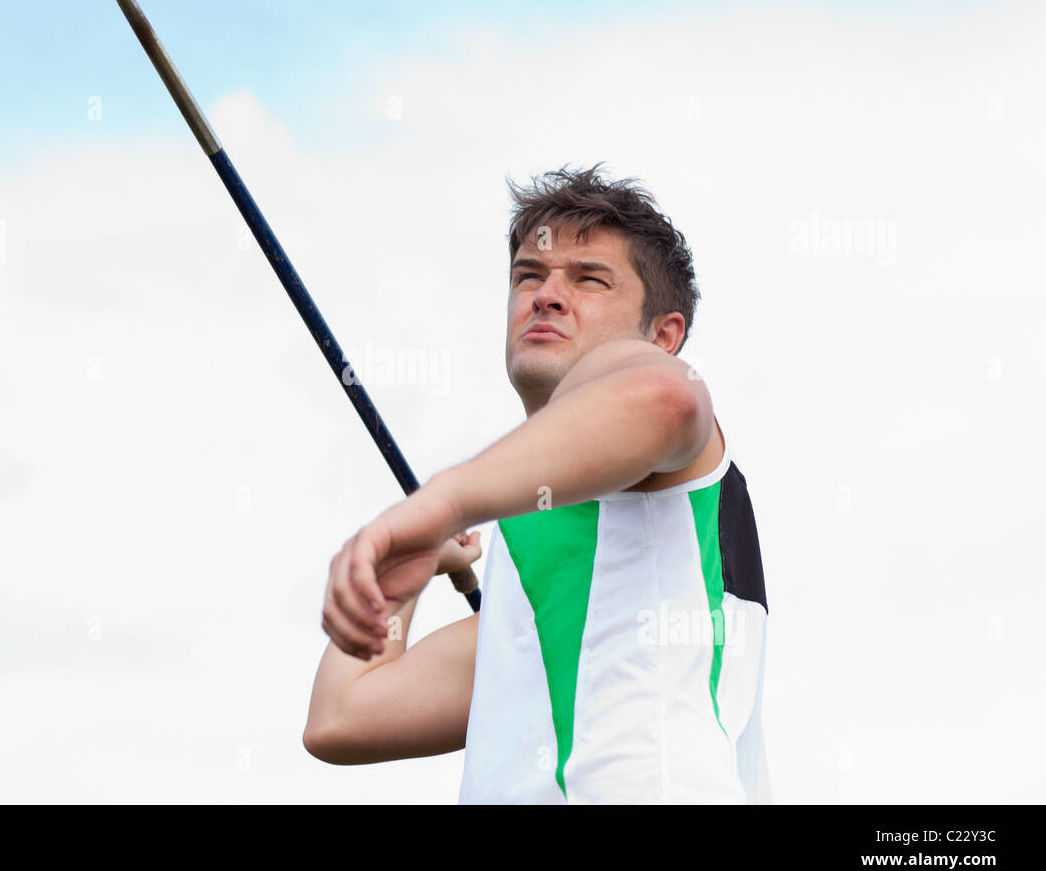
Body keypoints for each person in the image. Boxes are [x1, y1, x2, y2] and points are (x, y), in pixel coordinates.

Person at [302, 164, 771, 803]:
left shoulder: (656, 408)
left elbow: (664, 398)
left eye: (589, 279)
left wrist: (441, 505)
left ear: (664, 337)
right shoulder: (534, 575)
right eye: (529, 275)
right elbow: (342, 718)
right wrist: (396, 583)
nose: (546, 295)